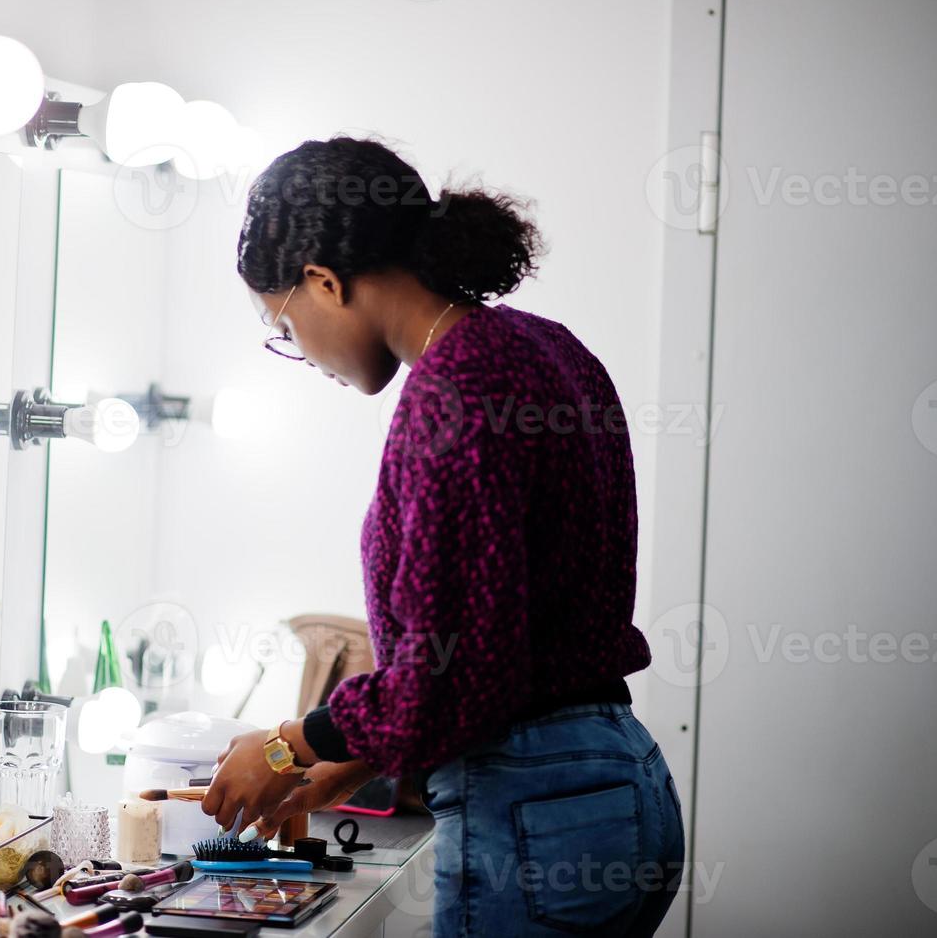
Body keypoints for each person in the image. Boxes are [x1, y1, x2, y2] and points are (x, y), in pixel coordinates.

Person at [200, 137, 685, 937]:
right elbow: (503, 650)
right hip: (620, 787)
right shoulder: (544, 347)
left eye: (281, 325)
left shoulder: (450, 393)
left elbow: (447, 679)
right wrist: (345, 764)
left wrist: (284, 747)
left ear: (325, 281)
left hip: (532, 810)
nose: (297, 353)